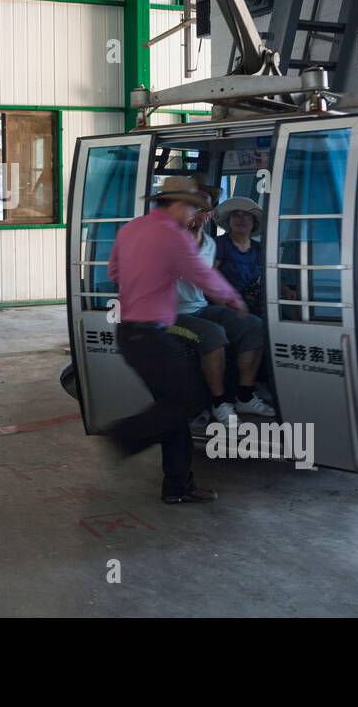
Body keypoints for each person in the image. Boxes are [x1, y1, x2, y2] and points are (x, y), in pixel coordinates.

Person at [106, 176, 247, 504]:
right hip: (150, 335)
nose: (192, 213)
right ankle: (124, 435)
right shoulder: (174, 237)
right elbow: (202, 274)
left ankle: (177, 486)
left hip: (131, 332)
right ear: (177, 204)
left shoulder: (131, 229)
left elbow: (115, 272)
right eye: (191, 207)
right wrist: (232, 298)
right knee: (190, 399)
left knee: (174, 407)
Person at [170, 191, 273, 420]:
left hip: (198, 308)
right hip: (168, 314)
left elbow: (208, 279)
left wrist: (233, 302)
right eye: (194, 209)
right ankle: (219, 402)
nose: (200, 215)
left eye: (205, 210)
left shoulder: (208, 244)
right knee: (213, 334)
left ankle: (245, 395)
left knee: (253, 326)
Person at [213, 196, 265, 309]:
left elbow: (267, 277)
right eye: (236, 215)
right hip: (228, 306)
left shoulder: (259, 248)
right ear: (229, 221)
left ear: (254, 223)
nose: (240, 219)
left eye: (246, 215)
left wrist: (286, 291)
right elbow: (209, 278)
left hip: (258, 305)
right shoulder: (219, 244)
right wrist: (224, 308)